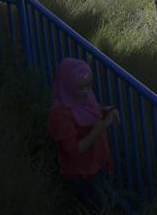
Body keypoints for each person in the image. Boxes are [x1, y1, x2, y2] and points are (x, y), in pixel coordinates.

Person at [48, 57, 120, 213]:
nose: (86, 91)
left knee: (106, 204)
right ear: (67, 86)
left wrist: (107, 110)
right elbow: (73, 150)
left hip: (97, 165)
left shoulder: (85, 98)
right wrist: (99, 128)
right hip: (81, 175)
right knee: (96, 209)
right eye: (80, 87)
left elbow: (92, 115)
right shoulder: (60, 115)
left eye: (88, 85)